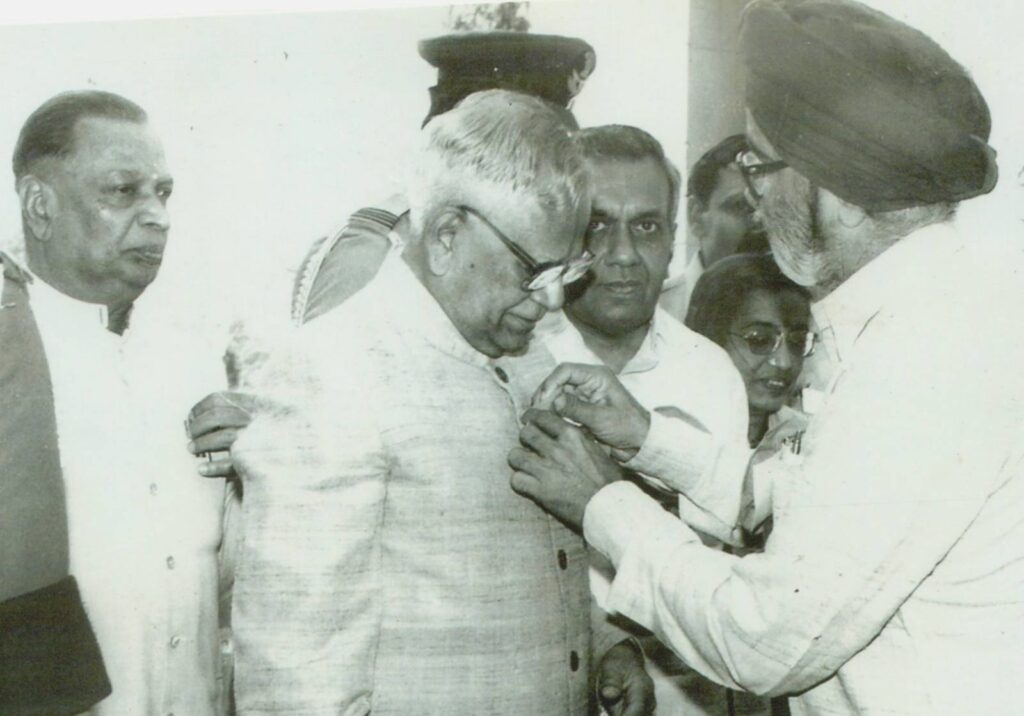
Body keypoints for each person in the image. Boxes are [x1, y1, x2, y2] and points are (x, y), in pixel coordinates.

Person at [506, 1, 1024, 713]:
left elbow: (764, 637)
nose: (753, 199)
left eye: (761, 165)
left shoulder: (927, 361)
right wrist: (647, 439)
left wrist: (604, 501)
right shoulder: (922, 319)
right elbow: (811, 503)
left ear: (836, 191)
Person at [228, 90, 652, 716]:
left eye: (568, 271)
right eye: (535, 272)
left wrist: (599, 645)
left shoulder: (523, 352)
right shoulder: (335, 371)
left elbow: (527, 564)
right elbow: (295, 672)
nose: (555, 302)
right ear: (448, 236)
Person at [0, 90, 232, 715]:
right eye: (123, 192)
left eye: (164, 192)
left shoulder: (195, 363)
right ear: (39, 204)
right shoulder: (7, 354)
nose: (157, 216)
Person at [685, 252, 811, 451]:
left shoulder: (808, 440)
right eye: (759, 339)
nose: (784, 361)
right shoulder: (669, 434)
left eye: (798, 341)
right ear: (709, 337)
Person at [660, 135, 768, 321]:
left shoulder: (815, 317)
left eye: (773, 208)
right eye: (741, 207)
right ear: (696, 216)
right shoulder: (652, 317)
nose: (761, 222)